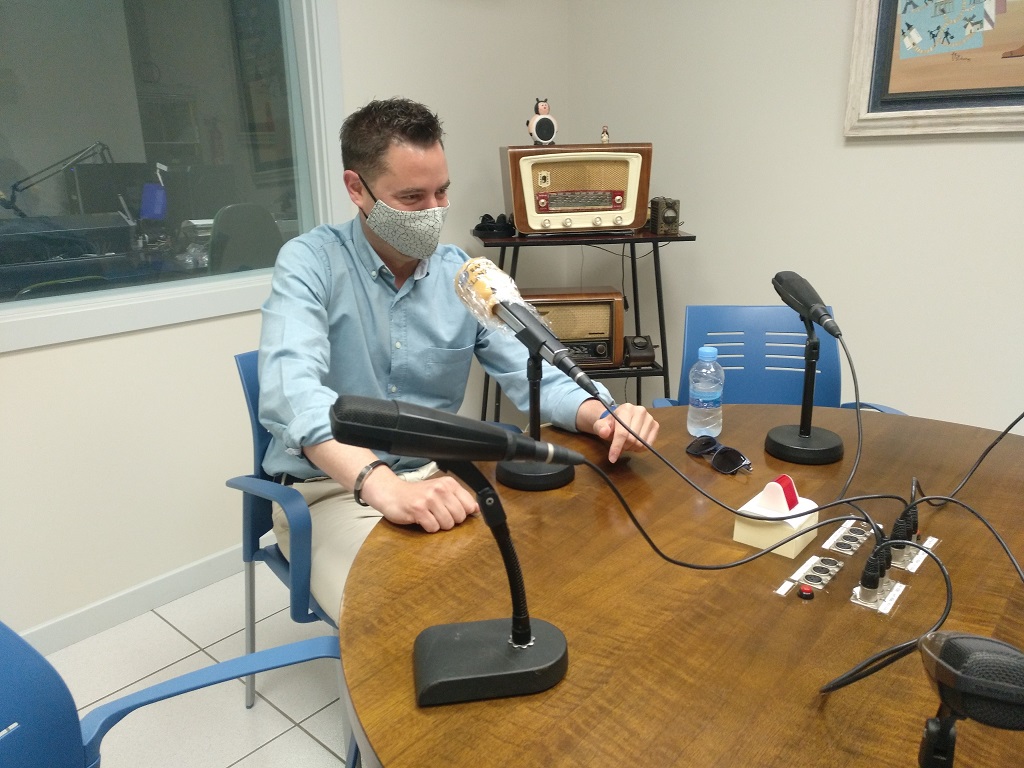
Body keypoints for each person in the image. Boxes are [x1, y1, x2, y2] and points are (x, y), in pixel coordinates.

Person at [258, 97, 659, 619]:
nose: (433, 211)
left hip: (435, 476)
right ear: (357, 189)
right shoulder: (309, 262)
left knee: (547, 570)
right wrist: (383, 485)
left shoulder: (462, 276)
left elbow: (531, 369)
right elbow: (292, 394)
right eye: (411, 197)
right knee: (405, 608)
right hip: (331, 491)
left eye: (442, 192)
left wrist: (603, 415)